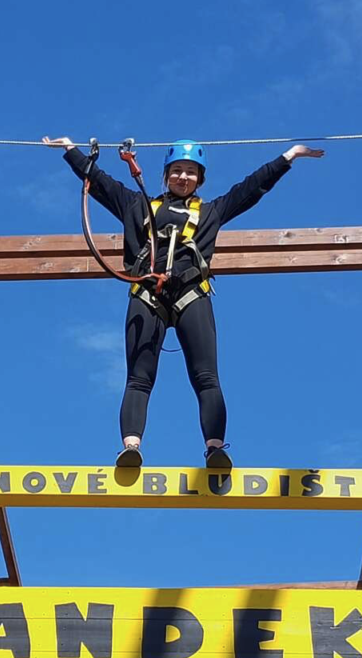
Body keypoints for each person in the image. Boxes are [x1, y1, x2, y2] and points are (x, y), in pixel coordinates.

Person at [43, 136, 324, 468]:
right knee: (139, 378)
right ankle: (131, 448)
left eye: (191, 172)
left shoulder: (210, 212)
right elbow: (101, 184)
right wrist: (71, 150)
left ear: (200, 179)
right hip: (147, 295)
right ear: (166, 175)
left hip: (192, 294)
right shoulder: (137, 206)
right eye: (177, 170)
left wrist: (289, 156)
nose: (183, 177)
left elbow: (252, 188)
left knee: (206, 376)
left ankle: (215, 448)